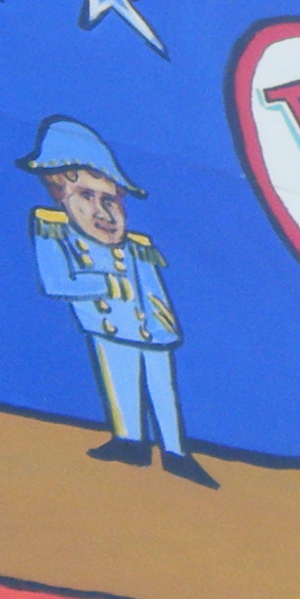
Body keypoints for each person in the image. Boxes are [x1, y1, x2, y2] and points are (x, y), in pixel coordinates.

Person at [22, 117, 207, 484]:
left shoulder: (137, 247)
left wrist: (163, 326)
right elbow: (58, 282)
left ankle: (175, 452)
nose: (103, 211)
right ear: (60, 193)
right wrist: (106, 282)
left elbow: (153, 290)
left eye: (109, 199)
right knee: (119, 384)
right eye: (86, 196)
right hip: (105, 324)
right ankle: (129, 442)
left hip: (150, 328)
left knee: (162, 391)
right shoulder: (52, 231)